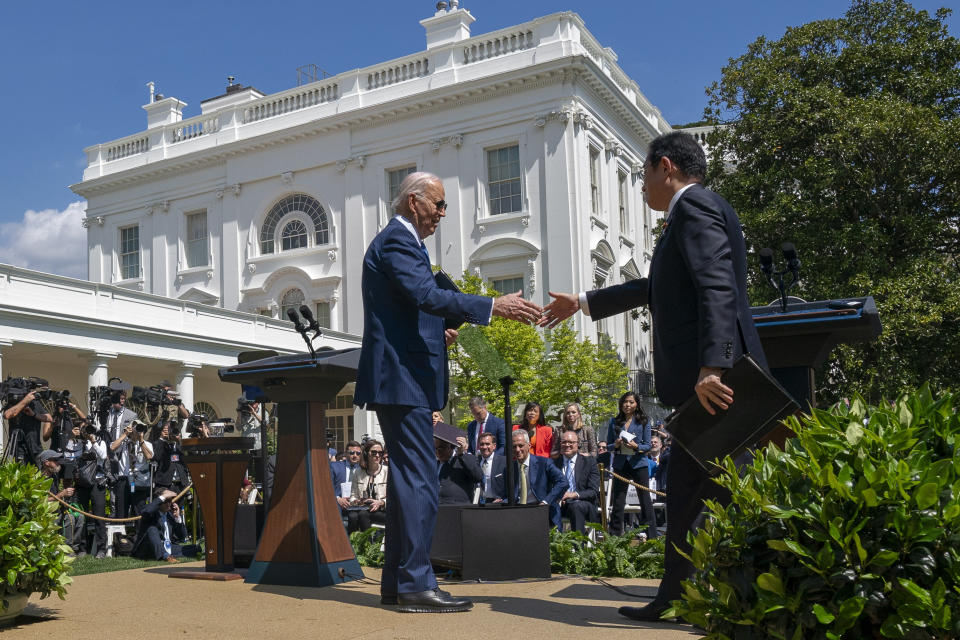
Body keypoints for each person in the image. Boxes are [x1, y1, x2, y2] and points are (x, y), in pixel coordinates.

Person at [540, 131, 769, 622]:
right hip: (700, 388)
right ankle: (677, 598)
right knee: (687, 495)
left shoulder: (695, 208)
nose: (641, 187)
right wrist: (582, 302)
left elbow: (717, 287)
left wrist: (713, 366)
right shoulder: (691, 213)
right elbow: (655, 287)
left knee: (731, 495)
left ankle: (750, 602)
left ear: (666, 167)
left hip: (712, 386)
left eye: (643, 174)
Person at [353, 171, 541, 613]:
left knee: (407, 482)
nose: (442, 213)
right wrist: (493, 306)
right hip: (403, 381)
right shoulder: (398, 241)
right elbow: (421, 293)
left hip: (404, 378)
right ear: (414, 201)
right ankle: (416, 583)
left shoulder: (404, 244)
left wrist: (439, 331)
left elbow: (408, 309)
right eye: (438, 204)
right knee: (418, 481)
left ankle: (399, 583)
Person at [604, 392, 658, 540]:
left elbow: (647, 445)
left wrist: (636, 446)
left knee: (645, 500)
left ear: (636, 405)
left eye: (631, 402)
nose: (627, 405)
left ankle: (652, 536)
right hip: (621, 464)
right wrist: (614, 444)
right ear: (621, 404)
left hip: (638, 463)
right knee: (618, 501)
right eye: (625, 402)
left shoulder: (644, 421)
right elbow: (608, 446)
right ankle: (614, 537)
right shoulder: (614, 421)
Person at [507, 430, 566, 524]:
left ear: (529, 445)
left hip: (541, 509)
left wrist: (546, 501)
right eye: (514, 447)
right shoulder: (509, 468)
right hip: (517, 511)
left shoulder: (544, 463)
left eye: (521, 445)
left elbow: (563, 482)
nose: (517, 450)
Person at [554, 430, 600, 534]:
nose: (567, 445)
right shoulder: (554, 463)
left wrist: (572, 495)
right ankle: (551, 546)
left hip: (583, 504)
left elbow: (593, 492)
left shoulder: (589, 462)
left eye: (571, 442)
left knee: (576, 507)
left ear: (577, 444)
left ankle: (578, 546)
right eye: (564, 442)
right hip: (560, 505)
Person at [133, 488, 192, 563]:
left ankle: (169, 555)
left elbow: (182, 537)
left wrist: (177, 518)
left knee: (196, 548)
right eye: (165, 501)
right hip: (149, 549)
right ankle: (165, 556)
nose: (168, 504)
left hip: (167, 547)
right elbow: (145, 511)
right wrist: (163, 497)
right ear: (159, 501)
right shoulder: (151, 513)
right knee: (152, 528)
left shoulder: (170, 515)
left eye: (170, 501)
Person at [106, 391, 138, 518]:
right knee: (110, 484)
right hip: (107, 452)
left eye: (124, 399)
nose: (122, 401)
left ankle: (121, 516)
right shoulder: (107, 413)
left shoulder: (131, 415)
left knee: (121, 486)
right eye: (119, 399)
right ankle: (112, 514)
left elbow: (134, 436)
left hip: (123, 453)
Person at [346, 439, 388, 534]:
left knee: (363, 514)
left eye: (380, 453)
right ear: (366, 454)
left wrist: (380, 502)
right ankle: (352, 546)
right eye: (374, 452)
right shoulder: (358, 472)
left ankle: (367, 546)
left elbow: (394, 497)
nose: (377, 455)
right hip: (363, 508)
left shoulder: (388, 471)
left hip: (382, 510)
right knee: (352, 516)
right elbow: (353, 495)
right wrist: (357, 501)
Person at [3, 389, 53, 467]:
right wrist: (25, 401)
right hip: (19, 448)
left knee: (37, 475)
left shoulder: (35, 403)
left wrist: (34, 414)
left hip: (35, 447)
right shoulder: (14, 402)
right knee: (20, 475)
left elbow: (49, 418)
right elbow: (7, 415)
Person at [435, 422, 482, 505]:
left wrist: (462, 454)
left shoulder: (463, 460)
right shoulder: (435, 464)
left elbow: (478, 477)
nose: (438, 452)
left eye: (441, 448)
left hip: (457, 509)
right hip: (436, 507)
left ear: (451, 446)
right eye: (436, 448)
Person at [333, 441, 363, 510]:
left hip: (357, 505)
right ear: (346, 453)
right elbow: (328, 486)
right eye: (352, 453)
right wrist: (337, 498)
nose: (355, 455)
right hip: (338, 503)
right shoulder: (335, 467)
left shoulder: (363, 470)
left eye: (358, 453)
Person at [476, 432, 506, 503]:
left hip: (497, 502)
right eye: (482, 444)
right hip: (478, 502)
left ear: (494, 446)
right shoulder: (475, 461)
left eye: (487, 444)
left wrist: (503, 500)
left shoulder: (504, 462)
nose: (484, 447)